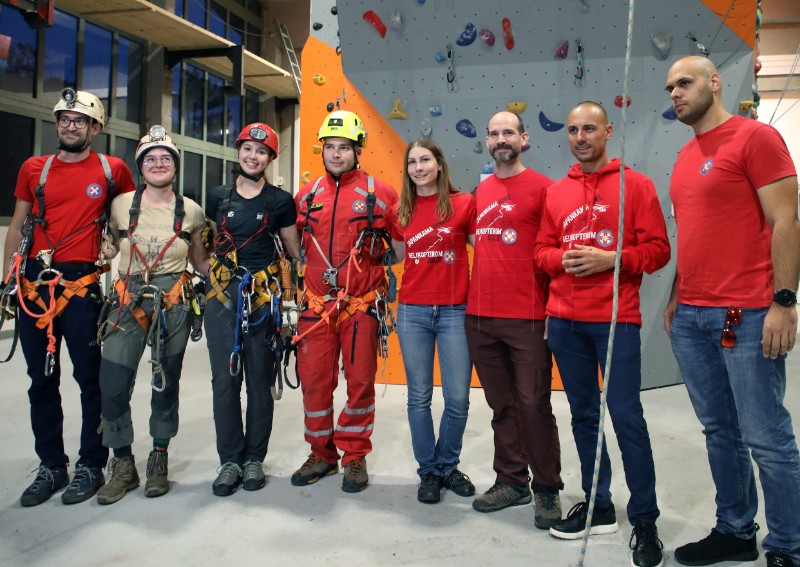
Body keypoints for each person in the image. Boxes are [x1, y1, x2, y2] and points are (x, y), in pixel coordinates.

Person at [664, 56, 800, 567]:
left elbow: (787, 222)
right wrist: (676, 295)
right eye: (670, 87)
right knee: (720, 431)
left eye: (685, 82)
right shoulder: (685, 154)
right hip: (692, 316)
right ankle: (736, 530)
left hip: (747, 314)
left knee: (766, 437)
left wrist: (784, 302)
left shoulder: (754, 138)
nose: (675, 93)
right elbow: (694, 233)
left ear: (715, 82)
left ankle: (788, 546)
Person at [534, 102, 669, 567]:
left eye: (589, 128)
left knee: (627, 417)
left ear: (608, 131)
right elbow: (541, 251)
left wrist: (613, 260)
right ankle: (599, 505)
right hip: (564, 323)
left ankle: (645, 519)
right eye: (573, 129)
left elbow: (659, 250)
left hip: (616, 320)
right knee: (584, 416)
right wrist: (562, 259)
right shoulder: (556, 192)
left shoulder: (637, 186)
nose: (580, 137)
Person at [2, 89, 135, 506]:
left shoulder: (112, 170)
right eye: (64, 119)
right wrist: (7, 279)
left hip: (81, 285)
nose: (70, 125)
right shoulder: (34, 169)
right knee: (40, 379)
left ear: (96, 128)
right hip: (35, 282)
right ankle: (52, 465)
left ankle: (92, 463)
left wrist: (125, 265)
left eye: (80, 120)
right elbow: (18, 224)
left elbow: (126, 223)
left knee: (90, 378)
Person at [94, 126, 209, 504]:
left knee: (165, 384)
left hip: (173, 303)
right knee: (112, 385)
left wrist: (234, 276)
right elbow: (108, 248)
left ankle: (159, 456)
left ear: (175, 165)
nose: (158, 164)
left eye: (165, 159)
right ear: (140, 166)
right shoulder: (119, 205)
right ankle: (123, 462)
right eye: (150, 159)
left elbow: (201, 261)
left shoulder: (191, 210)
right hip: (127, 302)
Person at [465, 110, 563, 528]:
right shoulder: (483, 189)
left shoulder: (545, 189)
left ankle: (547, 487)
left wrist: (552, 309)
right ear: (487, 142)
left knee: (534, 404)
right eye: (494, 133)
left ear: (525, 139)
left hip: (528, 316)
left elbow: (554, 252)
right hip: (481, 317)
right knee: (501, 405)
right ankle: (511, 480)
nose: (500, 139)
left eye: (508, 132)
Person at [291, 110, 398, 493]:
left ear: (358, 151)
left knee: (360, 383)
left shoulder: (380, 194)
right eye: (330, 147)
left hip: (360, 307)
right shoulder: (307, 196)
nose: (336, 154)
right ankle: (321, 454)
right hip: (316, 307)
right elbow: (295, 247)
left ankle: (354, 456)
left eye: (344, 147)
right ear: (322, 150)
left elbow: (400, 247)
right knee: (314, 383)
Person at [204, 122, 300, 497]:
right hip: (222, 297)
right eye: (247, 149)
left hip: (263, 299)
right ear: (238, 151)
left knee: (260, 381)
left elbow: (293, 251)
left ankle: (254, 459)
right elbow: (209, 243)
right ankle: (230, 460)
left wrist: (292, 306)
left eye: (261, 152)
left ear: (270, 158)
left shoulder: (280, 201)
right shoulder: (218, 196)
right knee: (224, 381)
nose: (253, 156)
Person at [390, 138, 476, 504]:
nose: (419, 167)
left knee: (458, 397)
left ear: (439, 163)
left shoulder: (463, 203)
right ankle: (429, 470)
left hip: (455, 310)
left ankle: (448, 465)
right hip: (413, 311)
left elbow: (484, 248)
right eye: (412, 162)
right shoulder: (400, 211)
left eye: (425, 160)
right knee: (419, 396)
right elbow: (396, 257)